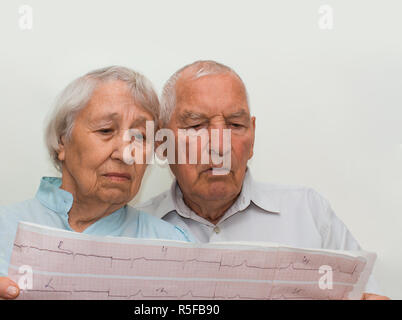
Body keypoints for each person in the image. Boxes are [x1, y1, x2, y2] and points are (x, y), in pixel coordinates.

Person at [137, 60, 389, 300]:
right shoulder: (134, 231)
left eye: (235, 125)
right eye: (196, 126)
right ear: (162, 144)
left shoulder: (310, 213)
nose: (219, 146)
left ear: (253, 136)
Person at [0, 66, 193, 300]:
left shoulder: (175, 249)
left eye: (140, 136)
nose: (126, 153)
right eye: (106, 130)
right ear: (62, 142)